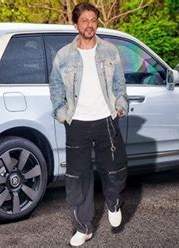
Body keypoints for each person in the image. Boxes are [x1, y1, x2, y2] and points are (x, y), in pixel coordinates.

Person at [48, 3, 128, 246]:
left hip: (106, 118)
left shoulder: (110, 51)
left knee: (114, 168)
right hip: (77, 123)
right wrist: (62, 114)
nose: (89, 25)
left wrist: (120, 105)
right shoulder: (63, 56)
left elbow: (119, 84)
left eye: (93, 20)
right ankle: (84, 227)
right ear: (76, 24)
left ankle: (113, 202)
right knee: (78, 178)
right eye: (84, 20)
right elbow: (56, 89)